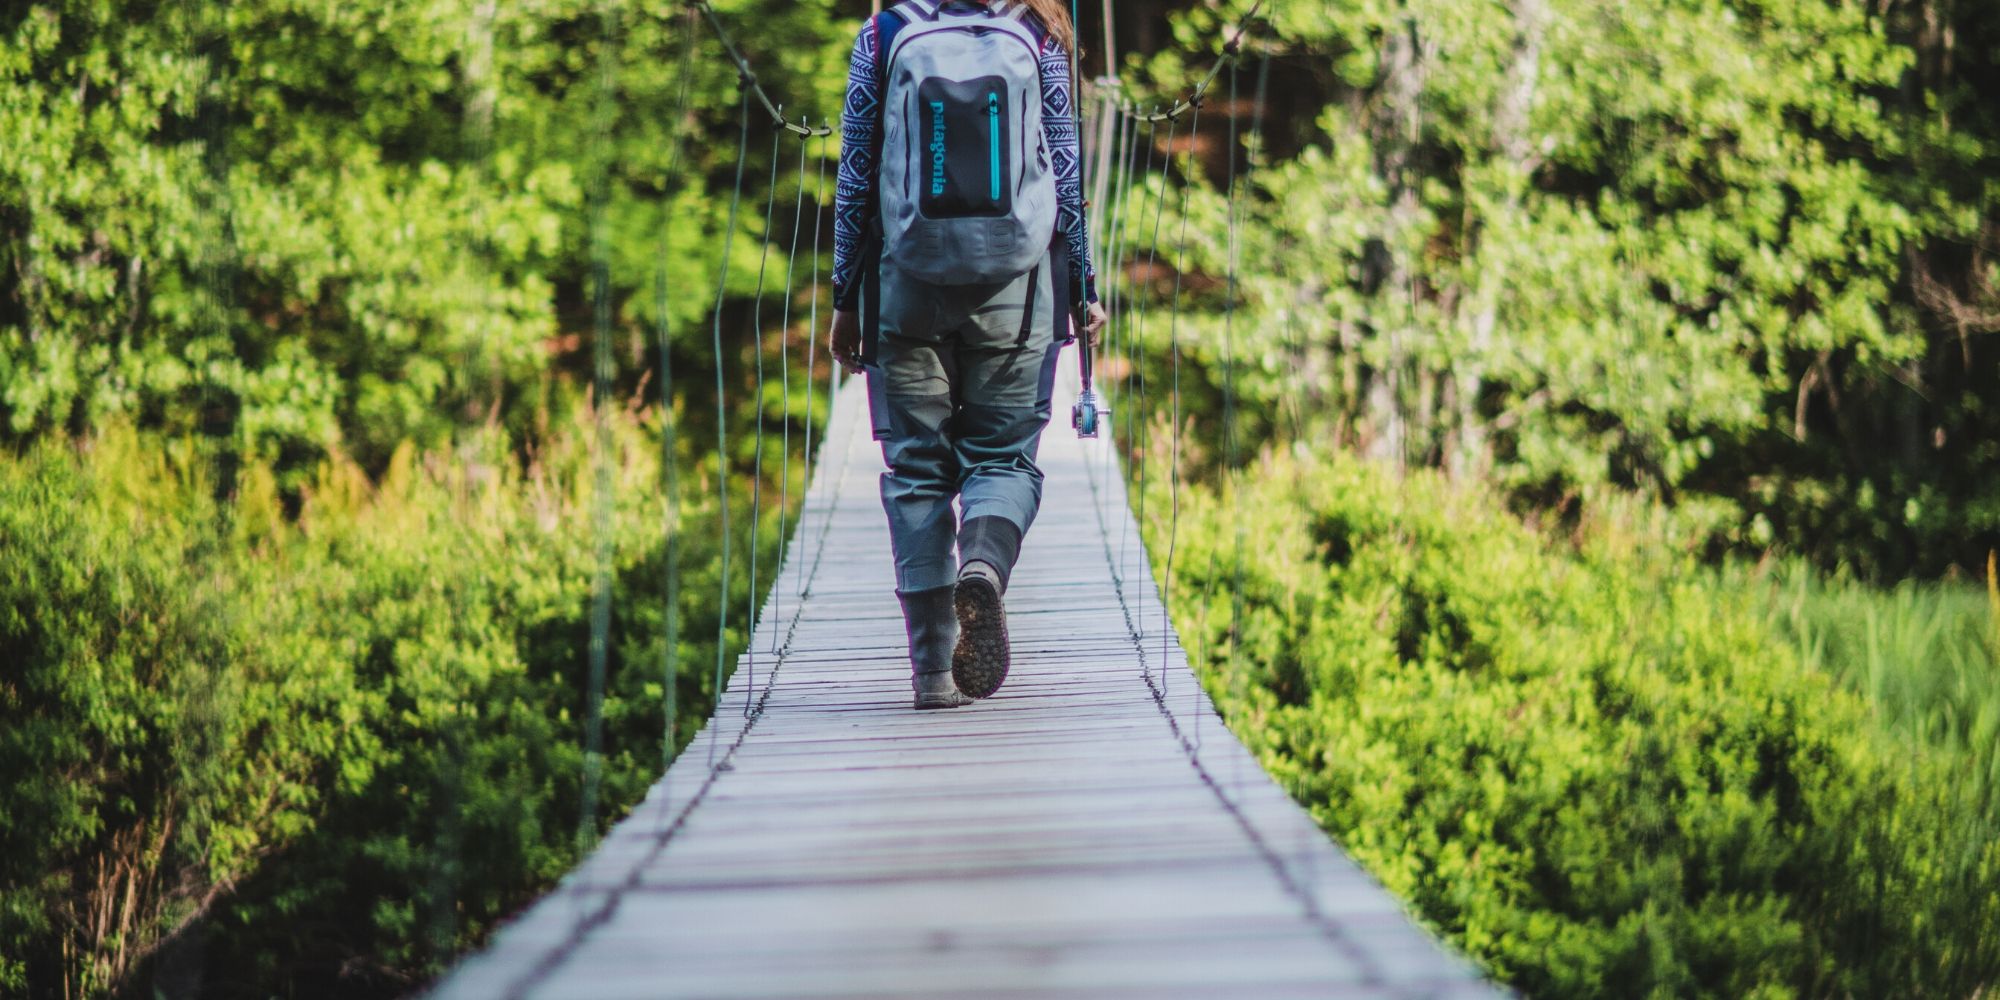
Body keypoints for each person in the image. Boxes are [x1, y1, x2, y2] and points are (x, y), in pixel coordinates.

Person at [827, 0, 1108, 710]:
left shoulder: (885, 34)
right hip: (1017, 290)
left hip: (907, 285)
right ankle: (982, 563)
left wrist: (843, 297)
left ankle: (931, 674)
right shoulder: (1039, 33)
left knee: (916, 470)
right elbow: (1065, 173)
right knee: (1004, 459)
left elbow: (857, 175)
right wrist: (1085, 285)